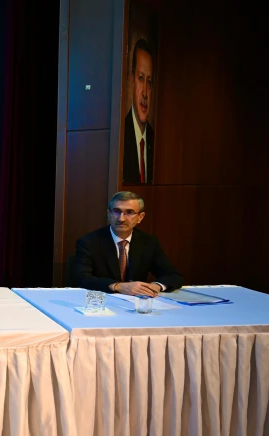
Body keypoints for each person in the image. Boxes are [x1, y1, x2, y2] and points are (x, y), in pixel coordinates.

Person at [71, 191, 182, 296]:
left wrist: (155, 286)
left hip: (136, 302)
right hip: (103, 300)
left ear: (140, 217)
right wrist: (118, 286)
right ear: (109, 214)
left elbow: (173, 276)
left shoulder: (148, 242)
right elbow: (81, 278)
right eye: (116, 211)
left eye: (129, 212)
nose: (121, 219)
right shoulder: (89, 242)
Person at [123, 38, 155, 184]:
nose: (145, 94)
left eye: (149, 82)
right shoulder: (120, 137)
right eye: (141, 78)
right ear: (132, 81)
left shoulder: (156, 141)